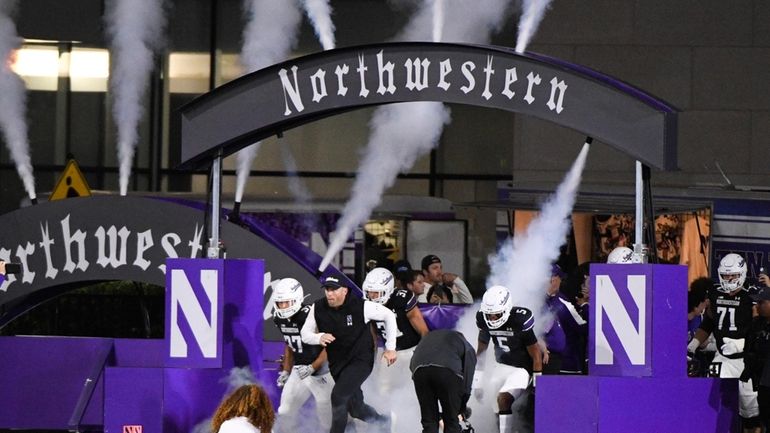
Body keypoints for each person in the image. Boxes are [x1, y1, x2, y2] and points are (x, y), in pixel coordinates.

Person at [301, 273, 398, 433]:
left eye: (334, 290)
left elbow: (388, 315)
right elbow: (305, 335)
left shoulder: (361, 306)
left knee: (338, 396)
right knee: (356, 409)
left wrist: (390, 348)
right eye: (327, 289)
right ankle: (384, 422)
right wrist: (319, 337)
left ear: (345, 290)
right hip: (338, 363)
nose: (329, 294)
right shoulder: (317, 308)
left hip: (361, 360)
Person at [688, 253, 761, 432]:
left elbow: (760, 328)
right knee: (712, 401)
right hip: (722, 357)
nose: (728, 280)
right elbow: (709, 322)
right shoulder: (714, 293)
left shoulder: (751, 296)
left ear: (742, 274)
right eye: (725, 275)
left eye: (733, 276)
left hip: (745, 361)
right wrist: (693, 345)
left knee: (750, 412)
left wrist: (742, 345)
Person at [474, 285, 542, 433]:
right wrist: (477, 382)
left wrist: (538, 382)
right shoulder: (483, 320)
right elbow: (481, 352)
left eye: (496, 314)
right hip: (501, 366)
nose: (491, 318)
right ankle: (501, 429)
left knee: (503, 398)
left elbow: (536, 353)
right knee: (492, 399)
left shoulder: (519, 319)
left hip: (521, 369)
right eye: (489, 314)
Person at [271, 278, 333, 433]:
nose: (283, 307)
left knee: (326, 417)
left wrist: (313, 367)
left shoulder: (310, 315)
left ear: (298, 299)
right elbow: (289, 344)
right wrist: (286, 370)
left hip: (322, 371)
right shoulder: (279, 318)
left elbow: (330, 346)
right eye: (280, 303)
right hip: (299, 369)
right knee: (285, 411)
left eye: (287, 302)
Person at [363, 267, 429, 385]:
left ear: (387, 289)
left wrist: (423, 355)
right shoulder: (368, 305)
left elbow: (424, 331)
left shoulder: (402, 299)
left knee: (412, 388)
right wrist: (373, 363)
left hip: (412, 350)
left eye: (376, 292)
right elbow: (372, 339)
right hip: (389, 352)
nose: (371, 296)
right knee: (383, 389)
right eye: (369, 292)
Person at [410, 329, 477, 433]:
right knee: (451, 422)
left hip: (419, 370)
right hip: (447, 370)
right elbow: (467, 385)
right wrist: (461, 408)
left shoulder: (430, 339)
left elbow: (412, 364)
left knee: (429, 421)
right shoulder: (467, 347)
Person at [541, 264, 587, 375]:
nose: (561, 281)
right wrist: (586, 306)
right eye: (560, 278)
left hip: (543, 362)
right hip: (568, 364)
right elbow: (584, 328)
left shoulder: (535, 300)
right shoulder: (562, 303)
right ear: (554, 279)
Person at [741, 287, 770, 429]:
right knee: (762, 418)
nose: (757, 306)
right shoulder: (755, 324)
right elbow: (749, 349)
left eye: (761, 302)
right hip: (762, 383)